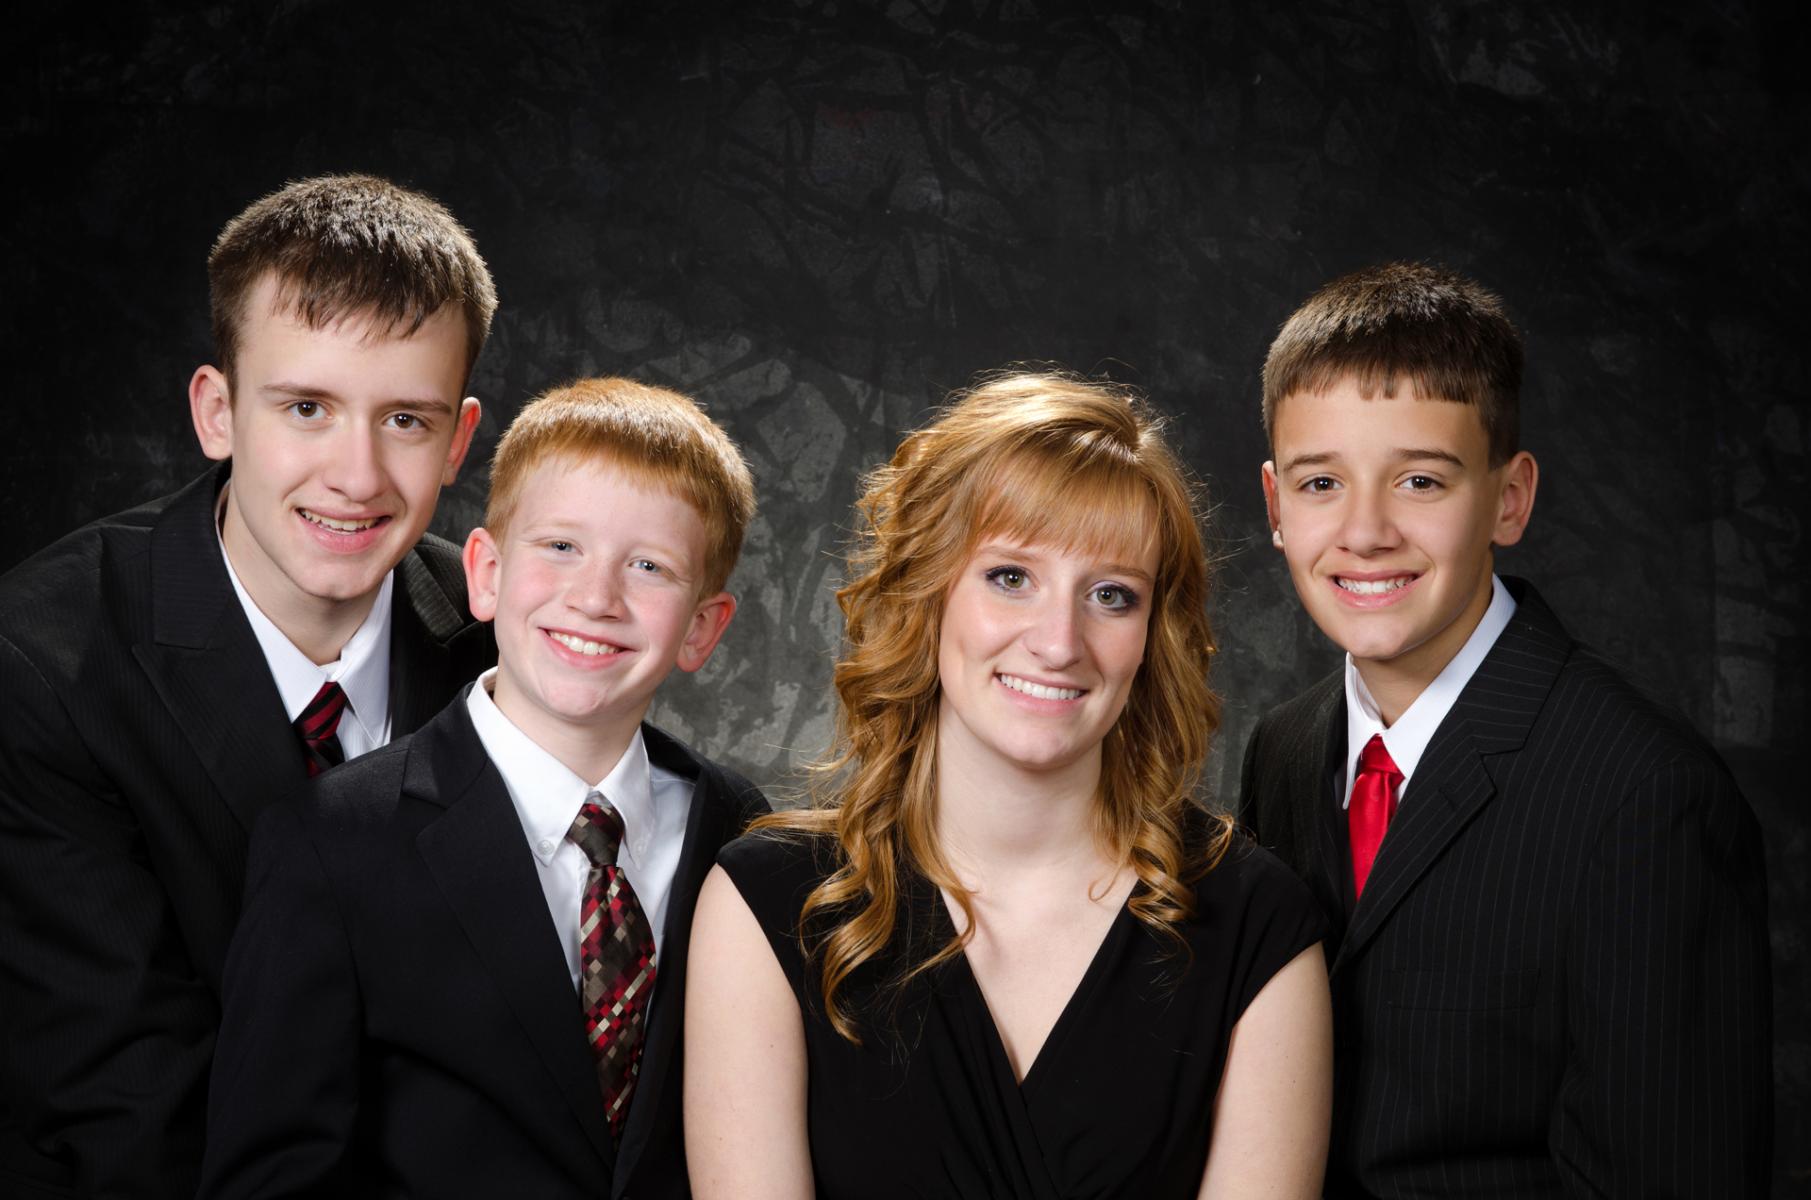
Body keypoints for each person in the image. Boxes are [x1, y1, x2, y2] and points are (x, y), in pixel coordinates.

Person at [685, 371, 1333, 1200]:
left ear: (1152, 635)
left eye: (1110, 595)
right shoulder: (767, 903)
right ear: (928, 590)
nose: (1059, 642)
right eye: (1010, 577)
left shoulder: (1255, 922)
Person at [0, 174, 497, 1199]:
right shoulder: (42, 667)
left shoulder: (505, 646)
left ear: (457, 440)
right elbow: (129, 1113)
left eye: (405, 420)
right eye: (307, 408)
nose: (356, 476)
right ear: (217, 412)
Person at [1241, 262, 1772, 1196]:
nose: (1364, 531)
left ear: (1508, 499)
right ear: (1276, 506)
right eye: (1320, 482)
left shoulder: (1644, 793)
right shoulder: (1281, 751)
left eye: (1419, 480)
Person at [201, 377, 768, 1199]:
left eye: (648, 566)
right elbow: (272, 1178)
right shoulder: (334, 840)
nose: (596, 598)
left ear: (702, 629)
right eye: (561, 547)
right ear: (487, 573)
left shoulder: (740, 835)